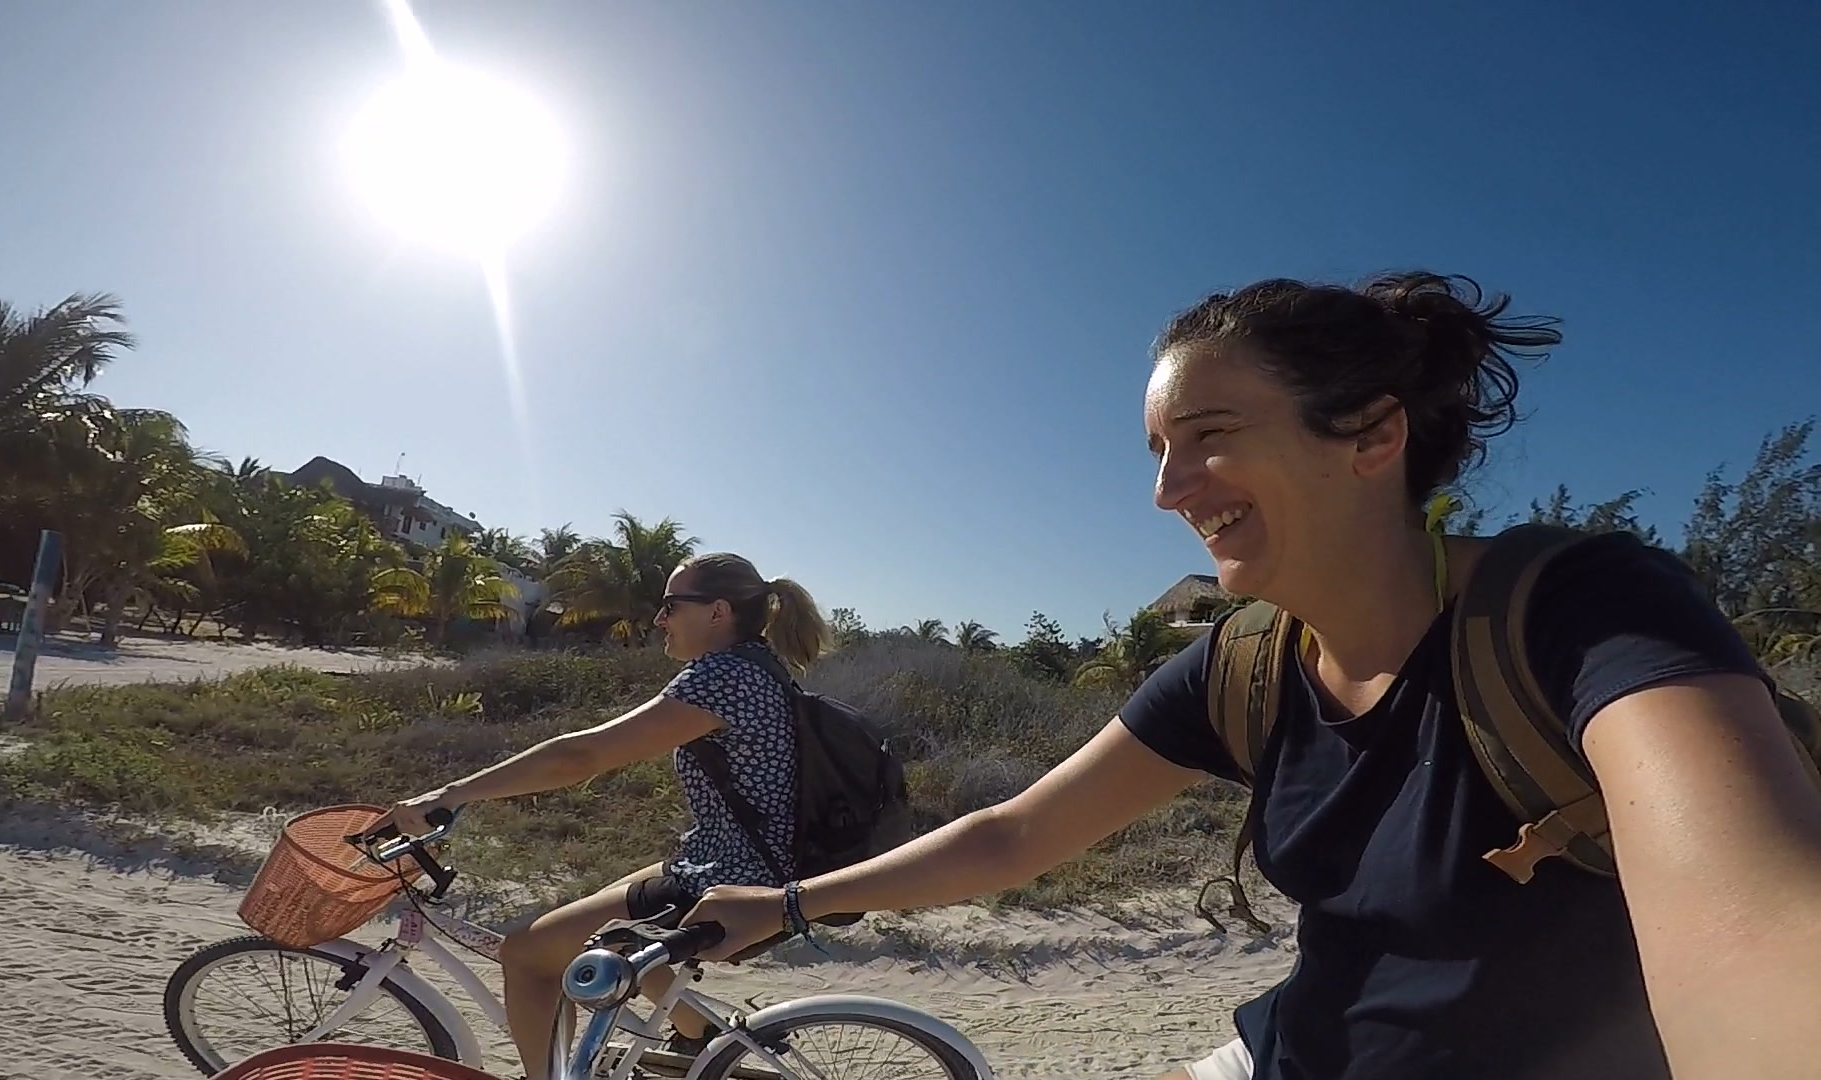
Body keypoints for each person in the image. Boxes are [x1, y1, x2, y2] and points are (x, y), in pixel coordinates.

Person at [682, 271, 1821, 1079]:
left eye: (1209, 435)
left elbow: (1754, 928)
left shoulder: (1580, 608)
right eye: (1159, 451)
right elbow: (1016, 836)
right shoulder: (1246, 664)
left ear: (1371, 438)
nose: (1168, 490)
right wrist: (786, 905)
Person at [382, 551, 830, 1077]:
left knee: (527, 956)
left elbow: (581, 756)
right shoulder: (757, 666)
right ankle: (697, 1038)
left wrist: (452, 793)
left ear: (718, 612)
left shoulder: (724, 676)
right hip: (736, 859)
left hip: (732, 875)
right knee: (598, 930)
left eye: (671, 606)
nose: (659, 619)